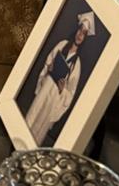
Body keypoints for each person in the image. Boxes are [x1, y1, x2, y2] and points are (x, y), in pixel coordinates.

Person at [25, 11, 96, 145]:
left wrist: (63, 89)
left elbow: (71, 93)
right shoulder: (62, 44)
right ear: (76, 31)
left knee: (39, 129)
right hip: (45, 88)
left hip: (54, 99)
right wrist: (50, 68)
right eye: (80, 31)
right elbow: (48, 63)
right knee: (31, 117)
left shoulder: (77, 64)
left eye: (84, 34)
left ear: (85, 38)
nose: (80, 35)